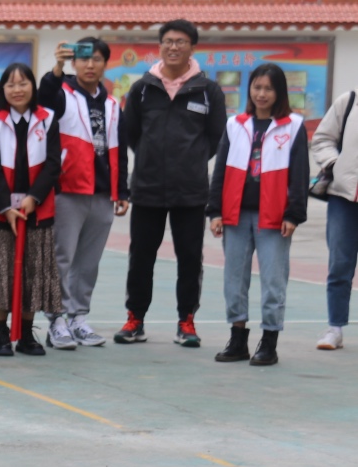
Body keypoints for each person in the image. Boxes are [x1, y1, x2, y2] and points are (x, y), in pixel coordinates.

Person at [117, 20, 226, 347]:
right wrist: (151, 158)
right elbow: (131, 135)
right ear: (160, 46)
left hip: (191, 191)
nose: (173, 47)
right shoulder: (142, 89)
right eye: (167, 41)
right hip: (147, 188)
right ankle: (135, 319)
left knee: (191, 259)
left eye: (180, 41)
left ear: (192, 46)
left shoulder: (209, 91)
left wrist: (189, 162)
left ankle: (187, 322)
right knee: (140, 257)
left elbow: (216, 138)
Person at [207, 65, 308, 366]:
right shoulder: (235, 125)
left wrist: (293, 213)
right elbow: (220, 170)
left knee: (274, 281)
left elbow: (300, 175)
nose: (261, 94)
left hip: (275, 219)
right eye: (256, 87)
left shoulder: (293, 126)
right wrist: (214, 210)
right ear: (249, 90)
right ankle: (238, 339)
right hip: (235, 216)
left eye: (268, 88)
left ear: (279, 92)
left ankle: (269, 342)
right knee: (234, 280)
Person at [38, 37, 129, 349]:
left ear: (106, 64)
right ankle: (56, 319)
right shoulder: (61, 94)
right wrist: (57, 67)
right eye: (84, 59)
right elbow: (44, 97)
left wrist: (122, 191)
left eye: (98, 59)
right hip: (69, 188)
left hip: (103, 192)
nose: (90, 65)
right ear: (74, 63)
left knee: (89, 261)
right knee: (62, 257)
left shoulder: (113, 104)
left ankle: (79, 317)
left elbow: (121, 150)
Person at [0, 63, 62, 357]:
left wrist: (33, 198)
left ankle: (26, 333)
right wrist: (6, 207)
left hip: (37, 208)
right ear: (2, 90)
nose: (17, 89)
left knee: (34, 271)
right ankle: (1, 333)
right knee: (0, 270)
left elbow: (53, 165)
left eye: (23, 83)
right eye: (10, 84)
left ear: (33, 87)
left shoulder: (47, 118)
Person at [311, 87, 358, 351]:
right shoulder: (349, 101)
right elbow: (322, 140)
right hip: (344, 198)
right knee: (340, 264)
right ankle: (335, 328)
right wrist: (334, 164)